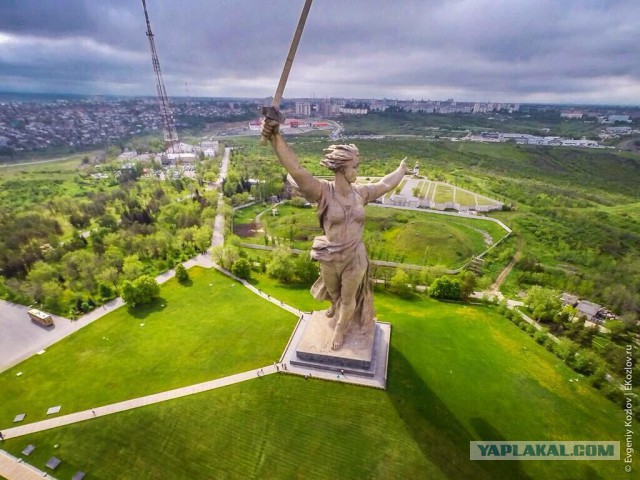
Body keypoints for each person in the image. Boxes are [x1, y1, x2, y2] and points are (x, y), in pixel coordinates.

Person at [262, 112, 409, 350]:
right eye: (355, 168)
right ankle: (334, 305)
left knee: (348, 298)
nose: (357, 172)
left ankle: (340, 331)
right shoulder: (322, 192)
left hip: (355, 256)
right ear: (341, 169)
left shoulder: (360, 193)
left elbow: (384, 184)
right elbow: (297, 170)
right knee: (333, 291)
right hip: (330, 254)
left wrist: (401, 170)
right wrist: (275, 136)